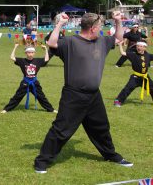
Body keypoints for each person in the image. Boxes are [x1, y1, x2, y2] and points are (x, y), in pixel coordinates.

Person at [34, 12, 133, 174]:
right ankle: (41, 162)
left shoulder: (102, 41)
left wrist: (117, 21)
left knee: (101, 127)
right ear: (93, 28)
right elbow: (51, 43)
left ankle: (110, 155)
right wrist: (60, 24)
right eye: (100, 26)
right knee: (61, 130)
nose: (101, 29)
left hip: (94, 95)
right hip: (73, 95)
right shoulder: (70, 42)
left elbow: (118, 39)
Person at [1, 44, 56, 113]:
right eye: (29, 52)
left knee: (41, 97)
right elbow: (12, 57)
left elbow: (46, 59)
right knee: (17, 97)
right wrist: (15, 47)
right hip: (25, 82)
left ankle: (51, 109)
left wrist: (45, 49)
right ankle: (6, 109)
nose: (30, 54)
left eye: (32, 52)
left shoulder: (38, 61)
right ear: (26, 53)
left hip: (34, 82)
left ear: (34, 53)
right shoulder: (22, 61)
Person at [114, 41, 153, 107]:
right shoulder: (133, 55)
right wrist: (120, 45)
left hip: (145, 77)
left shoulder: (148, 55)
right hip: (135, 77)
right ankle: (118, 101)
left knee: (152, 88)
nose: (138, 48)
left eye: (140, 46)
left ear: (144, 48)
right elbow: (123, 53)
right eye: (137, 46)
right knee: (128, 88)